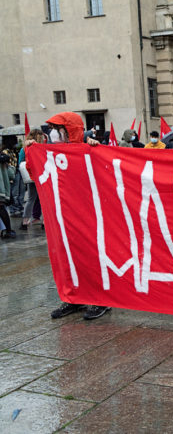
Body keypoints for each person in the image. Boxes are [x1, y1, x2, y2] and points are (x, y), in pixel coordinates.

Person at [26, 112, 112, 321]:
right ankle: (74, 298)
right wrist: (30, 149)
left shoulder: (87, 150)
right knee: (67, 258)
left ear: (69, 130)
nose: (54, 133)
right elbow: (33, 171)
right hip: (63, 217)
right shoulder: (51, 153)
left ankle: (101, 300)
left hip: (88, 215)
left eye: (59, 128)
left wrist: (93, 146)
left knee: (92, 257)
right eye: (53, 128)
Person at [19, 129, 46, 230]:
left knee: (30, 199)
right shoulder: (41, 147)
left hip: (31, 176)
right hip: (42, 175)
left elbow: (20, 162)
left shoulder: (25, 148)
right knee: (45, 199)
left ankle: (25, 221)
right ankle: (45, 221)